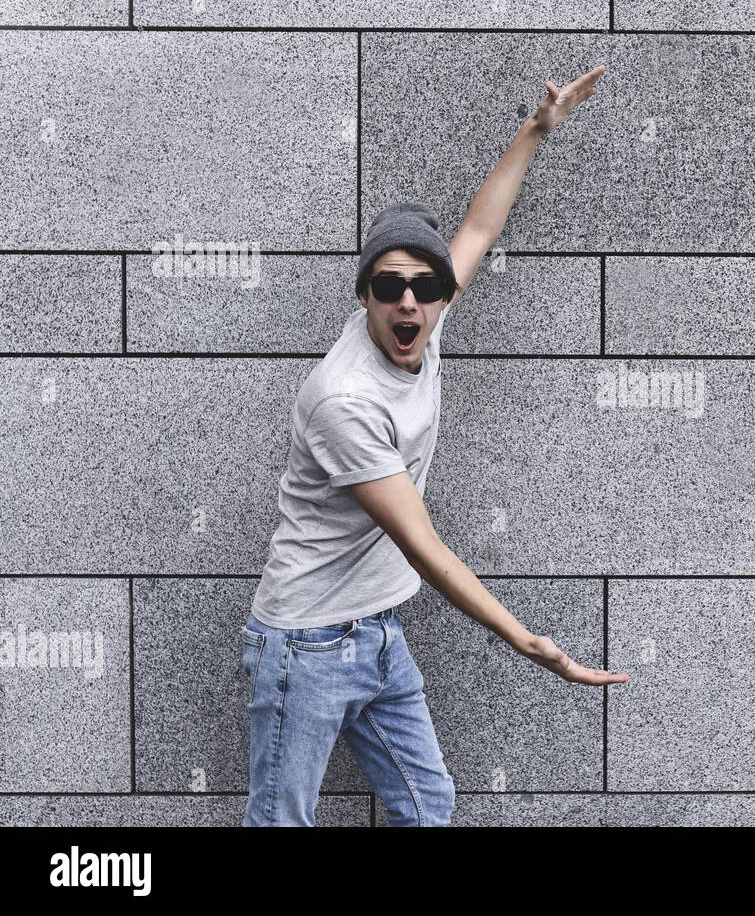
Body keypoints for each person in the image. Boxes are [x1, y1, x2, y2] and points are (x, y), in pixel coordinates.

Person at [240, 64, 627, 826]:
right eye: (388, 288)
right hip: (305, 644)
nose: (408, 301)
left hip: (378, 629)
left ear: (443, 292)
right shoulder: (343, 399)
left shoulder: (425, 316)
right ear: (365, 299)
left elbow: (478, 228)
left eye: (424, 285)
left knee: (426, 805)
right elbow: (425, 548)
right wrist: (529, 641)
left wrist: (536, 131)